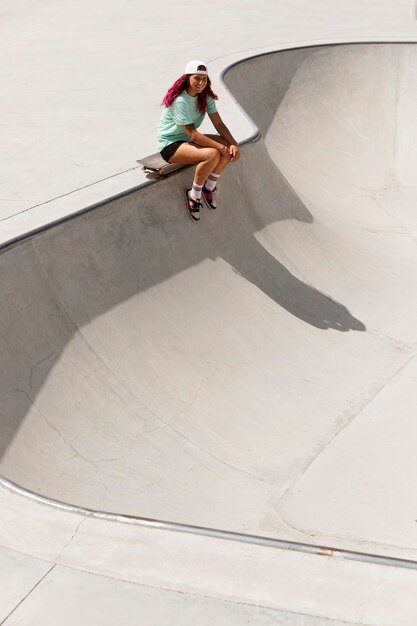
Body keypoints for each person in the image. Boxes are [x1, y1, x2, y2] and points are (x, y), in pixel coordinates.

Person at [157, 60, 240, 221]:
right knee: (212, 154)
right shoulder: (180, 101)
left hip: (188, 141)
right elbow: (193, 134)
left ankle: (209, 188)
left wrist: (233, 144)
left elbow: (218, 123)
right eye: (197, 78)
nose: (201, 83)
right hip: (171, 145)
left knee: (226, 146)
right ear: (187, 78)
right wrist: (221, 148)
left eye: (204, 79)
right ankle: (194, 195)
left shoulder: (205, 97)